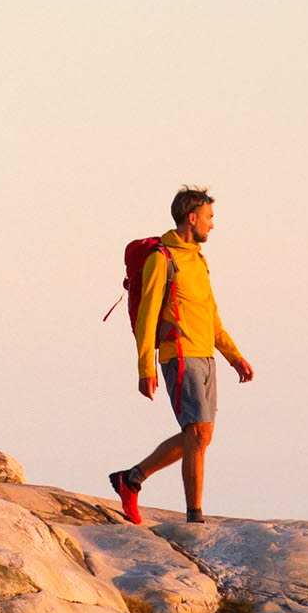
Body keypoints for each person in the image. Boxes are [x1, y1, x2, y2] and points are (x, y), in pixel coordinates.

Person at [108, 187, 256, 523]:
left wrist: (234, 356)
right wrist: (145, 367)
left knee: (201, 436)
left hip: (206, 355)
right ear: (192, 218)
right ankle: (195, 517)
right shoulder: (163, 258)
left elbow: (211, 315)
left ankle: (131, 478)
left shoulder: (199, 261)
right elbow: (146, 316)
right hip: (180, 354)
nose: (212, 225)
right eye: (209, 218)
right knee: (198, 434)